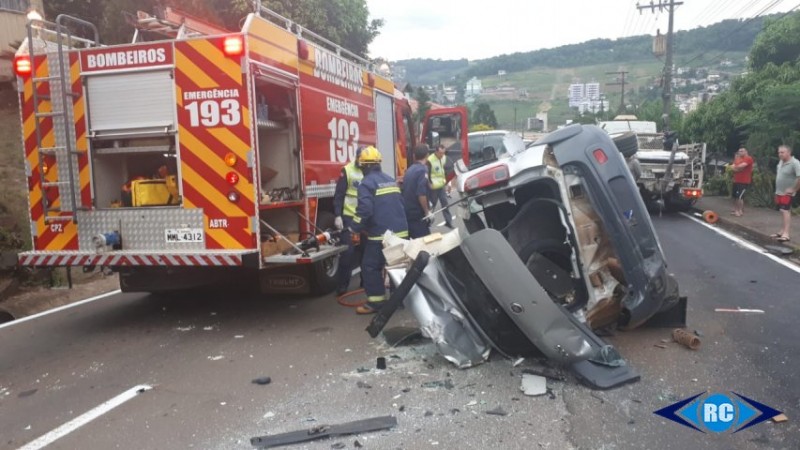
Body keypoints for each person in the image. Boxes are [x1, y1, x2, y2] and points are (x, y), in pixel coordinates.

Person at [348, 146, 409, 314]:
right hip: (401, 231)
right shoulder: (390, 179)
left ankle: (376, 302)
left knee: (370, 266)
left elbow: (365, 210)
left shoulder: (366, 184)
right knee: (396, 265)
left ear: (363, 166)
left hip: (382, 235)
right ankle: (398, 300)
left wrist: (354, 228)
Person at [332, 148, 364, 295]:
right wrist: (338, 215)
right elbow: (339, 194)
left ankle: (365, 282)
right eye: (360, 159)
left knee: (365, 251)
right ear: (356, 157)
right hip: (350, 218)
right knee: (348, 253)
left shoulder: (368, 169)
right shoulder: (347, 170)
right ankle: (342, 287)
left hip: (365, 218)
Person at [402, 144, 433, 238]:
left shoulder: (410, 169)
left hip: (407, 212)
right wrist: (427, 212)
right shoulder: (422, 170)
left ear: (414, 156)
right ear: (427, 156)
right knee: (425, 243)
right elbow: (421, 194)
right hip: (417, 214)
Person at [772, 145, 800, 242]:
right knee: (782, 211)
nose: (780, 154)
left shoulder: (795, 163)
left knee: (785, 211)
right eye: (779, 152)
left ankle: (786, 233)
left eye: (782, 152)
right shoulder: (780, 162)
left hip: (787, 193)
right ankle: (782, 230)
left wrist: (794, 189)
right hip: (779, 191)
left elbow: (799, 177)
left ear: (789, 152)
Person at [427, 144, 453, 228]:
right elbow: (427, 174)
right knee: (432, 206)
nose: (442, 155)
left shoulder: (444, 158)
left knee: (445, 204)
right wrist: (429, 184)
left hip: (441, 185)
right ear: (436, 151)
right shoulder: (430, 160)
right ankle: (428, 222)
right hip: (433, 187)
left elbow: (445, 169)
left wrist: (447, 182)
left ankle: (448, 222)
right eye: (441, 153)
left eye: (443, 153)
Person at [729, 147, 754, 217]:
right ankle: (735, 210)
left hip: (744, 181)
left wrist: (737, 168)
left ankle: (740, 211)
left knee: (740, 197)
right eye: (739, 151)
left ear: (746, 151)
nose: (740, 152)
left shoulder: (748, 158)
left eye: (742, 151)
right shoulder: (737, 159)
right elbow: (733, 167)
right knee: (734, 196)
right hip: (736, 180)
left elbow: (742, 166)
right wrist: (737, 168)